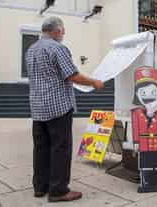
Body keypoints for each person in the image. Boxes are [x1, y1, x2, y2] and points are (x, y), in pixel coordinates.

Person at [25, 16, 104, 202]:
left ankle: (40, 187)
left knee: (41, 148)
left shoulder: (31, 49)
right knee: (60, 148)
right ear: (58, 31)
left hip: (37, 107)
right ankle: (58, 191)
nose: (64, 34)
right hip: (58, 106)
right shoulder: (58, 48)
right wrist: (94, 82)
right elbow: (72, 75)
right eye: (63, 30)